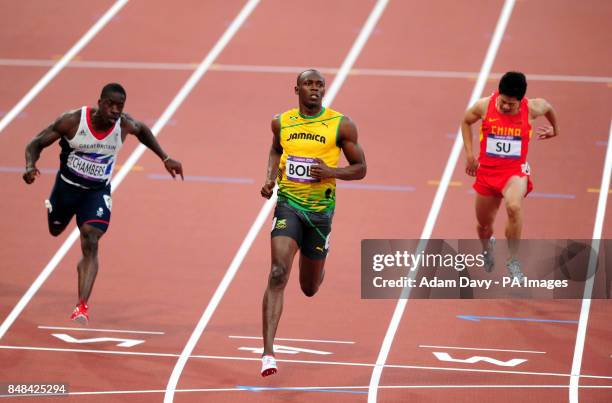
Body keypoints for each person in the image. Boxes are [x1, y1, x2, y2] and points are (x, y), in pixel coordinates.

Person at [23, 83, 183, 324]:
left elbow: (143, 131)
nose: (116, 110)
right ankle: (55, 211)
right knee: (55, 230)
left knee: (91, 238)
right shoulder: (72, 122)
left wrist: (165, 157)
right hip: (66, 189)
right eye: (111, 104)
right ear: (100, 102)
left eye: (120, 106)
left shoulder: (124, 125)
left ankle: (82, 305)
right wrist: (30, 166)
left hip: (96, 192)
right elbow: (35, 143)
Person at [259, 69, 367, 376]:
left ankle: (319, 262)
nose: (315, 89)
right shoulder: (281, 121)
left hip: (320, 214)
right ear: (297, 89)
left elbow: (360, 168)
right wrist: (269, 178)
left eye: (319, 84)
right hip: (288, 206)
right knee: (278, 272)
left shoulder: (340, 124)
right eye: (309, 84)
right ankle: (268, 353)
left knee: (309, 287)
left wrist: (331, 172)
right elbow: (276, 148)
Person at [461, 71, 558, 279]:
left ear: (521, 100)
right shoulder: (485, 106)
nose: (506, 107)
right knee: (484, 226)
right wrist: (469, 155)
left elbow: (549, 107)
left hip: (514, 172)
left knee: (514, 206)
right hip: (487, 173)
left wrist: (554, 129)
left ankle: (513, 261)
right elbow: (466, 121)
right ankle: (488, 249)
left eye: (511, 105)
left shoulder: (532, 107)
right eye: (503, 102)